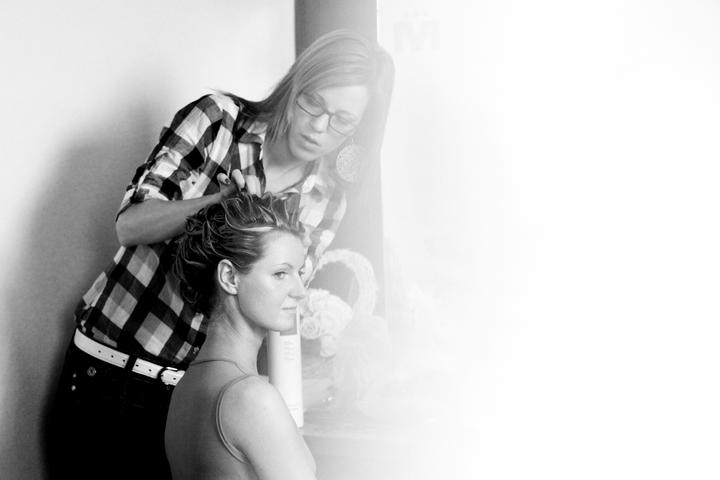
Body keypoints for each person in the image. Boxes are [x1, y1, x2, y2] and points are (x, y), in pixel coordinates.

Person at [47, 29, 393, 479]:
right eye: (313, 103)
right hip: (109, 376)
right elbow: (129, 224)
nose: (319, 127)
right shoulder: (218, 123)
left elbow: (277, 309)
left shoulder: (325, 199)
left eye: (342, 120)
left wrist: (284, 406)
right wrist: (218, 203)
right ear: (295, 84)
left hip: (193, 397)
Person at [165, 194, 315, 480]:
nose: (300, 291)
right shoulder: (253, 399)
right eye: (280, 273)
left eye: (299, 273)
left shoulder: (185, 388)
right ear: (229, 277)